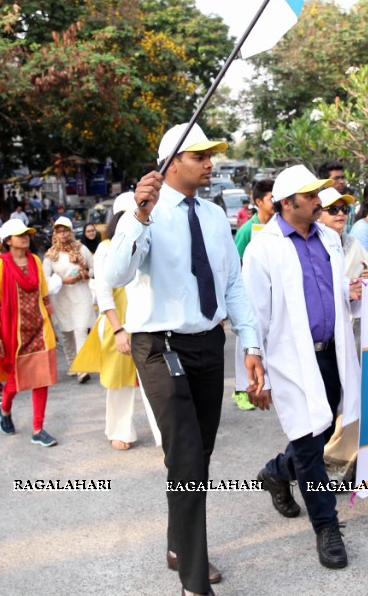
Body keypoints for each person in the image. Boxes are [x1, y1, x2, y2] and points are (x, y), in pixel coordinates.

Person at [102, 122, 262, 596]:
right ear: (171, 163)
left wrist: (250, 346)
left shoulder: (214, 215)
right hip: (159, 346)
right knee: (189, 458)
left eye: (211, 155)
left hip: (209, 344)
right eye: (200, 156)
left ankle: (177, 545)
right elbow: (115, 272)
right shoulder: (143, 212)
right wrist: (138, 215)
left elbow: (232, 283)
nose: (210, 163)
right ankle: (194, 580)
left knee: (196, 456)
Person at [243, 165, 361, 570]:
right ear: (288, 202)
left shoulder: (329, 237)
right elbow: (253, 312)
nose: (319, 201)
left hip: (331, 352)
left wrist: (352, 290)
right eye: (311, 196)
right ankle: (326, 526)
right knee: (311, 445)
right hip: (291, 359)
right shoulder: (264, 247)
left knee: (325, 428)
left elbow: (329, 290)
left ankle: (277, 471)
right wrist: (254, 372)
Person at [72, 192, 163, 449]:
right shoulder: (106, 248)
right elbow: (103, 291)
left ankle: (165, 434)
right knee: (119, 381)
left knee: (156, 381)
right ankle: (119, 430)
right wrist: (118, 330)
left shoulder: (150, 242)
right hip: (118, 323)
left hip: (148, 322)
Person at [0, 218, 60, 447]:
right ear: (8, 241)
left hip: (39, 328)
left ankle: (38, 428)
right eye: (20, 234)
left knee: (42, 379)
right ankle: (5, 408)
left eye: (27, 233)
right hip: (13, 333)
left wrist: (51, 324)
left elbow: (44, 295)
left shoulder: (35, 261)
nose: (25, 237)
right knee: (14, 381)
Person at [318, 186, 368, 471]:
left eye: (345, 209)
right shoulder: (314, 244)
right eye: (334, 209)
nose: (341, 214)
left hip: (350, 330)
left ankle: (339, 458)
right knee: (323, 410)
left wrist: (367, 276)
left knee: (347, 398)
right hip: (323, 335)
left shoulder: (351, 242)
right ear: (318, 213)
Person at [231, 178, 276, 411]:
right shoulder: (248, 229)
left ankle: (265, 382)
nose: (275, 202)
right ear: (258, 202)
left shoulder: (278, 226)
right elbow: (236, 263)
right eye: (271, 198)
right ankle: (242, 388)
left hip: (271, 293)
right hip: (248, 294)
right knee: (248, 341)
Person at [43, 216, 96, 381]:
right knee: (66, 332)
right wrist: (62, 280)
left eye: (66, 230)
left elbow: (94, 267)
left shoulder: (81, 249)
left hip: (81, 295)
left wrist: (86, 274)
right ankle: (73, 363)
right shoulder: (51, 255)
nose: (63, 234)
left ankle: (82, 369)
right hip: (62, 299)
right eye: (59, 231)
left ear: (71, 232)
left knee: (81, 330)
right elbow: (44, 279)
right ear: (55, 234)